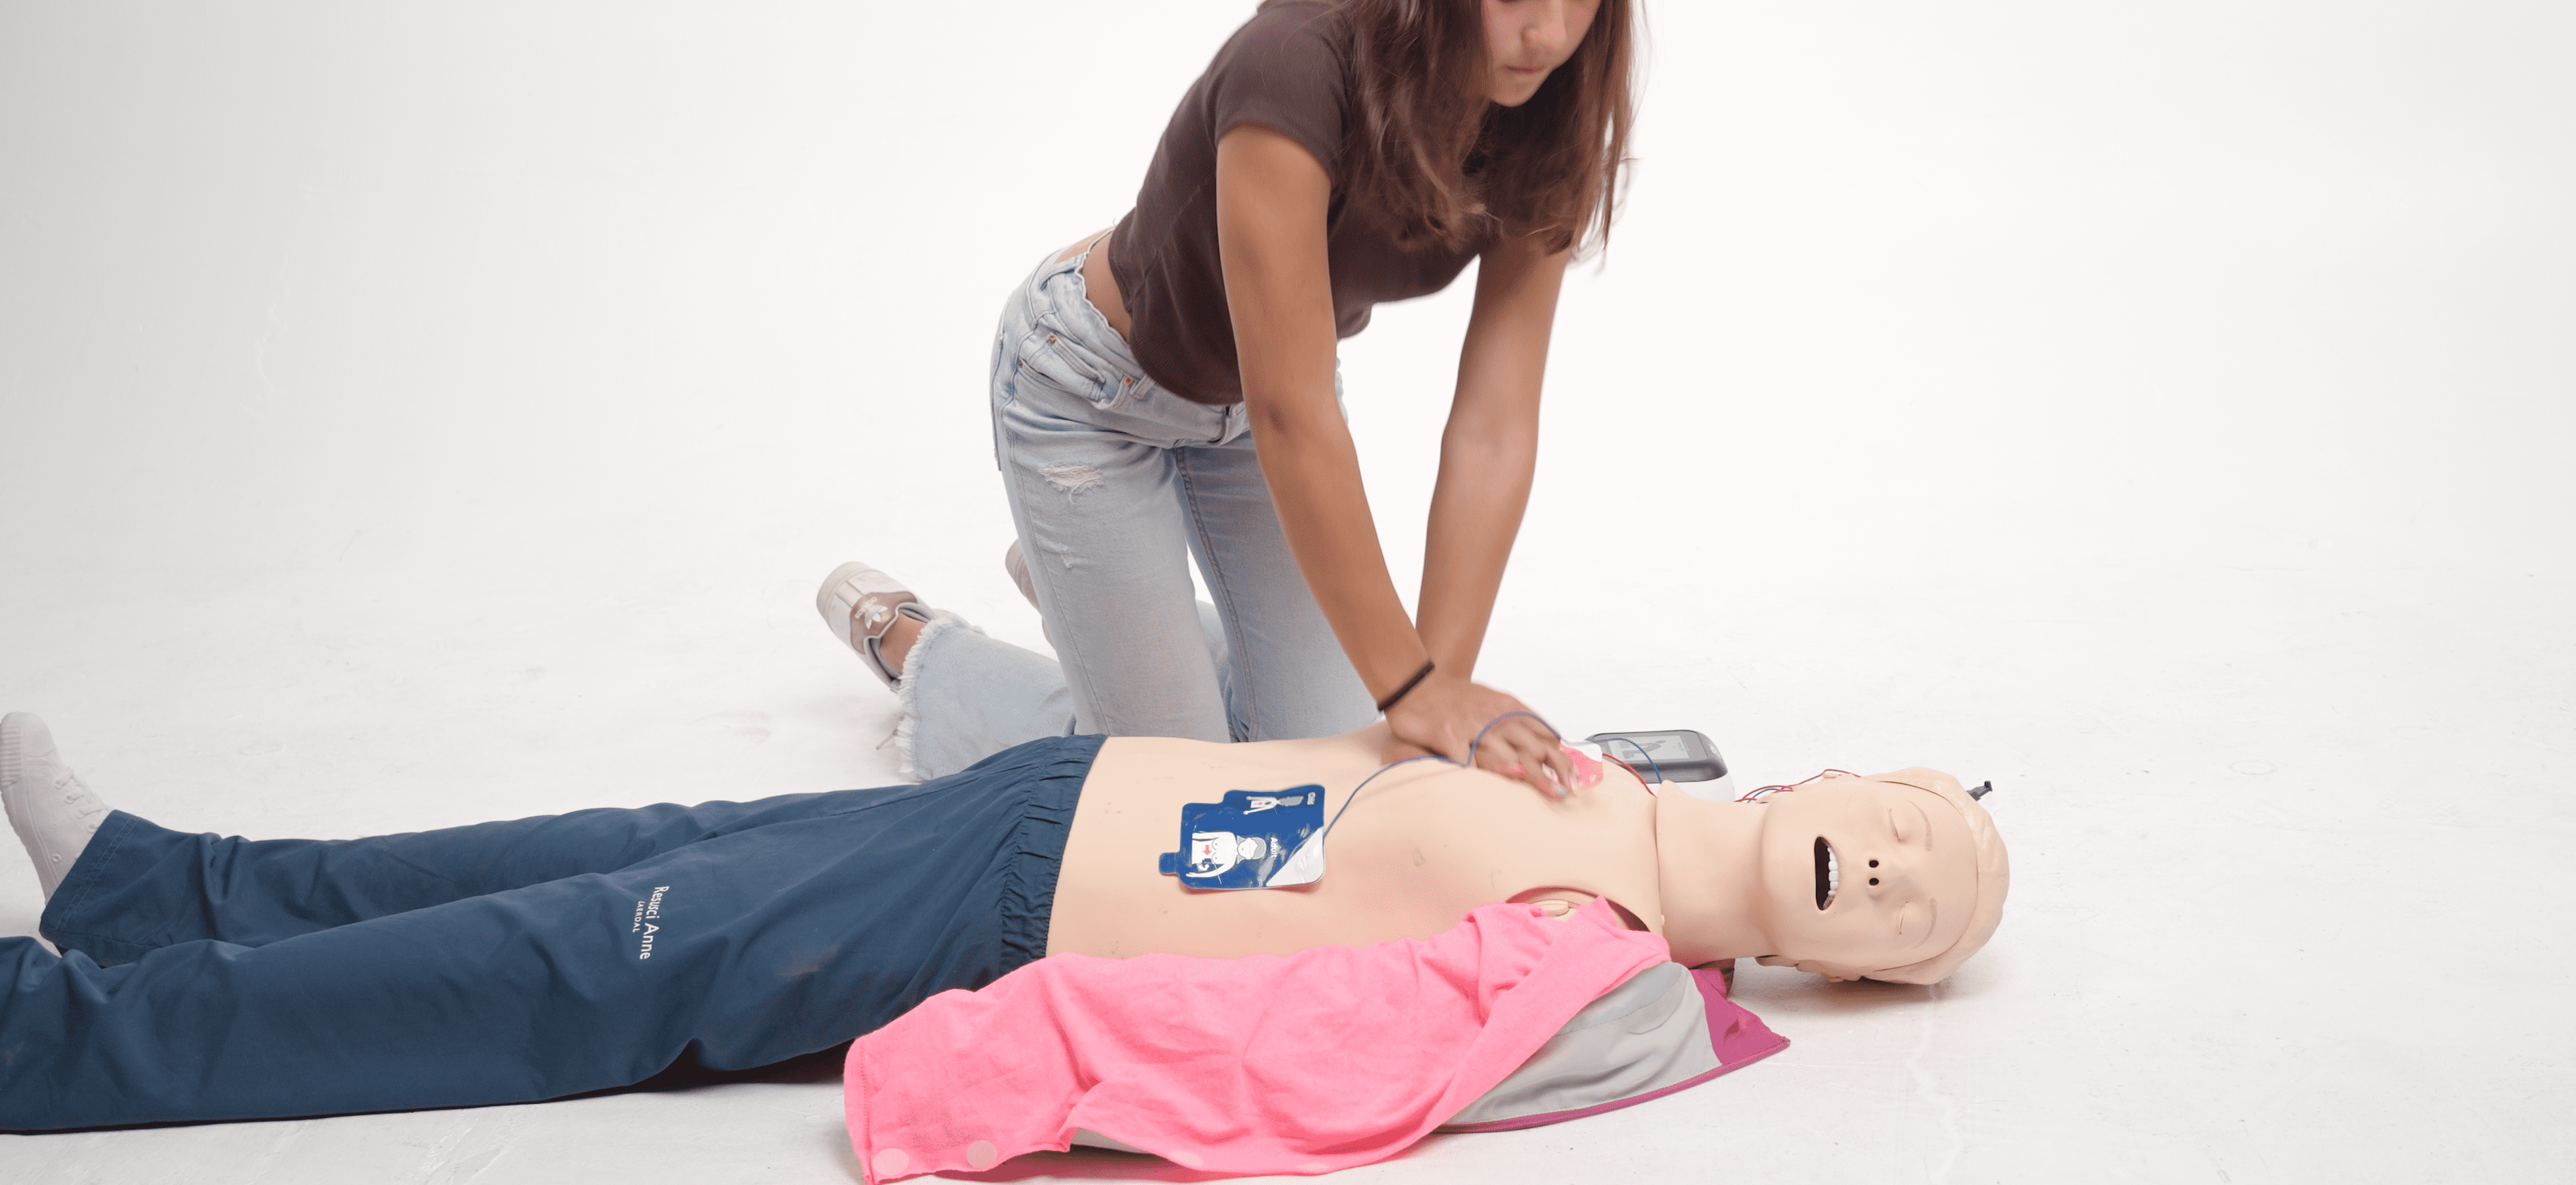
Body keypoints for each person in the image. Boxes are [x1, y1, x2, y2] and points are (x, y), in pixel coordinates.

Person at [0, 706, 2006, 1133]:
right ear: (1843, 771)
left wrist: (994, 1084)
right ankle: (159, 894)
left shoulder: (1595, 958)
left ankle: (54, 1039)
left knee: (587, 962)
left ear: (1849, 968)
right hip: (1047, 793)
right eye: (1911, 831)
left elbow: (1313, 1063)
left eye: (1912, 923)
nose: (1896, 878)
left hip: (1016, 906)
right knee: (618, 844)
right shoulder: (1622, 758)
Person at [843, 0, 1642, 798]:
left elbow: (1494, 423)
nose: (1552, 33)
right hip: (1091, 397)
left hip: (1251, 420)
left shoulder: (1552, 116)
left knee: (1338, 763)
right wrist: (1406, 683)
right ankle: (929, 649)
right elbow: (1293, 407)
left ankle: (1098, 603)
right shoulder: (1292, 70)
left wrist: (1433, 694)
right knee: (1184, 797)